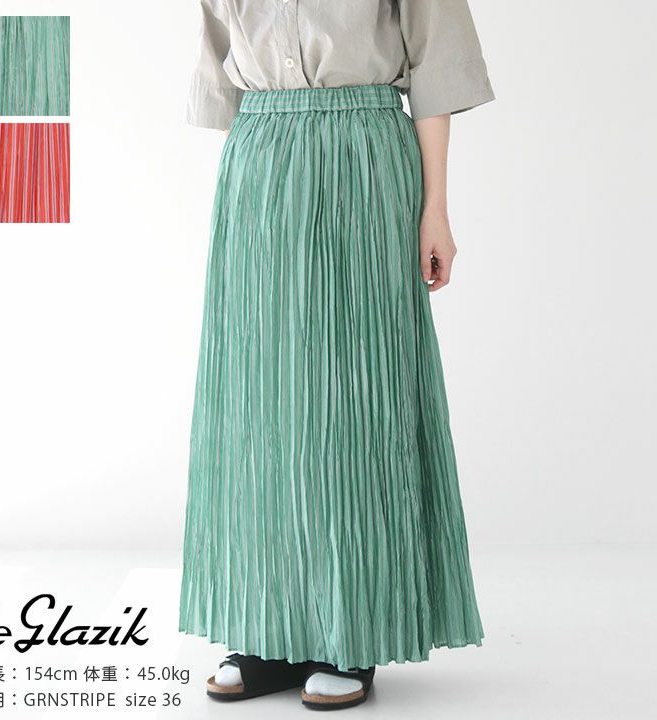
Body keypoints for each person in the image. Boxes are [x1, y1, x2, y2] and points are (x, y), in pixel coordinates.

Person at [179, 0, 495, 710]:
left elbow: (435, 66)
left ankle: (351, 629)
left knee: (355, 399)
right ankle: (269, 628)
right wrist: (257, 191)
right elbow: (219, 74)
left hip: (365, 153)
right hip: (260, 159)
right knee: (262, 400)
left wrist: (435, 207)